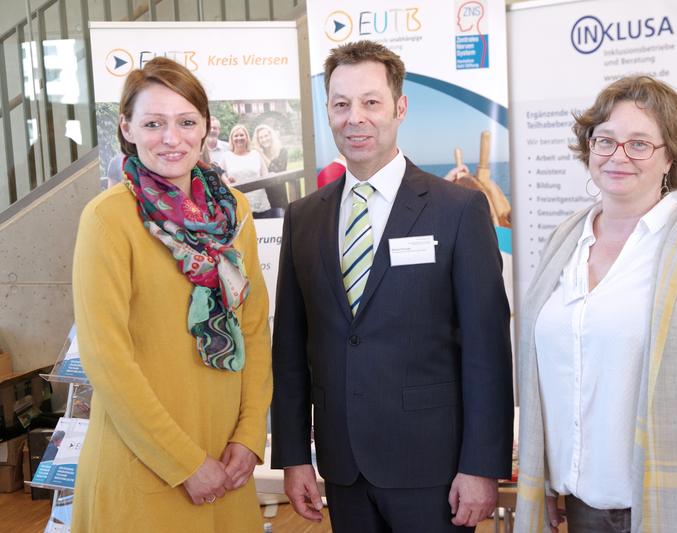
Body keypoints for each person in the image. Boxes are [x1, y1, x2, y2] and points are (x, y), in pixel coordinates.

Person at [271, 40, 514, 532]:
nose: (355, 117)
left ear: (400, 108)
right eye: (341, 104)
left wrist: (483, 465)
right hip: (343, 469)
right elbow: (291, 350)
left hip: (436, 470)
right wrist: (294, 455)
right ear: (328, 113)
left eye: (371, 102)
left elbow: (487, 349)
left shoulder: (457, 210)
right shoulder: (304, 218)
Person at [515, 75, 677, 533]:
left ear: (669, 156)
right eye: (606, 140)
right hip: (583, 507)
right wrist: (554, 478)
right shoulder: (564, 242)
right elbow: (561, 374)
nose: (618, 156)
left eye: (639, 144)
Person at [71, 57, 272, 532]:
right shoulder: (108, 220)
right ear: (127, 128)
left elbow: (254, 326)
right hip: (145, 467)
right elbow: (107, 360)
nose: (172, 138)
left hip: (227, 464)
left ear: (206, 128)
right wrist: (183, 462)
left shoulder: (232, 209)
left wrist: (248, 437)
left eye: (186, 122)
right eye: (153, 123)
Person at [220, 124, 271, 213]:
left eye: (242, 135)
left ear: (247, 138)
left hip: (259, 203)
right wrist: (226, 180)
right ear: (231, 139)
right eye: (236, 136)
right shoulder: (226, 156)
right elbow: (219, 174)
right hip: (238, 205)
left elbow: (265, 175)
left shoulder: (255, 154)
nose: (239, 138)